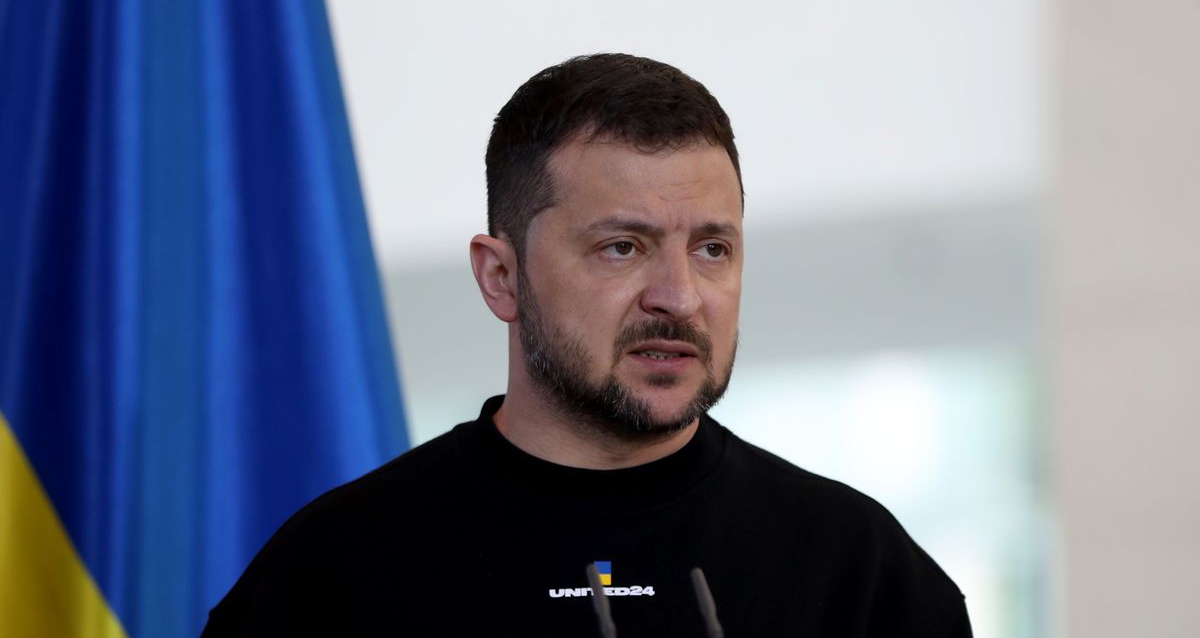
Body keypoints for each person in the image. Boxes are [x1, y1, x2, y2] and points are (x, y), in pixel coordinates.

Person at [203, 53, 972, 637]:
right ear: (501, 276)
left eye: (712, 249)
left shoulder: (859, 570)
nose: (677, 296)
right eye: (622, 247)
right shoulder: (335, 574)